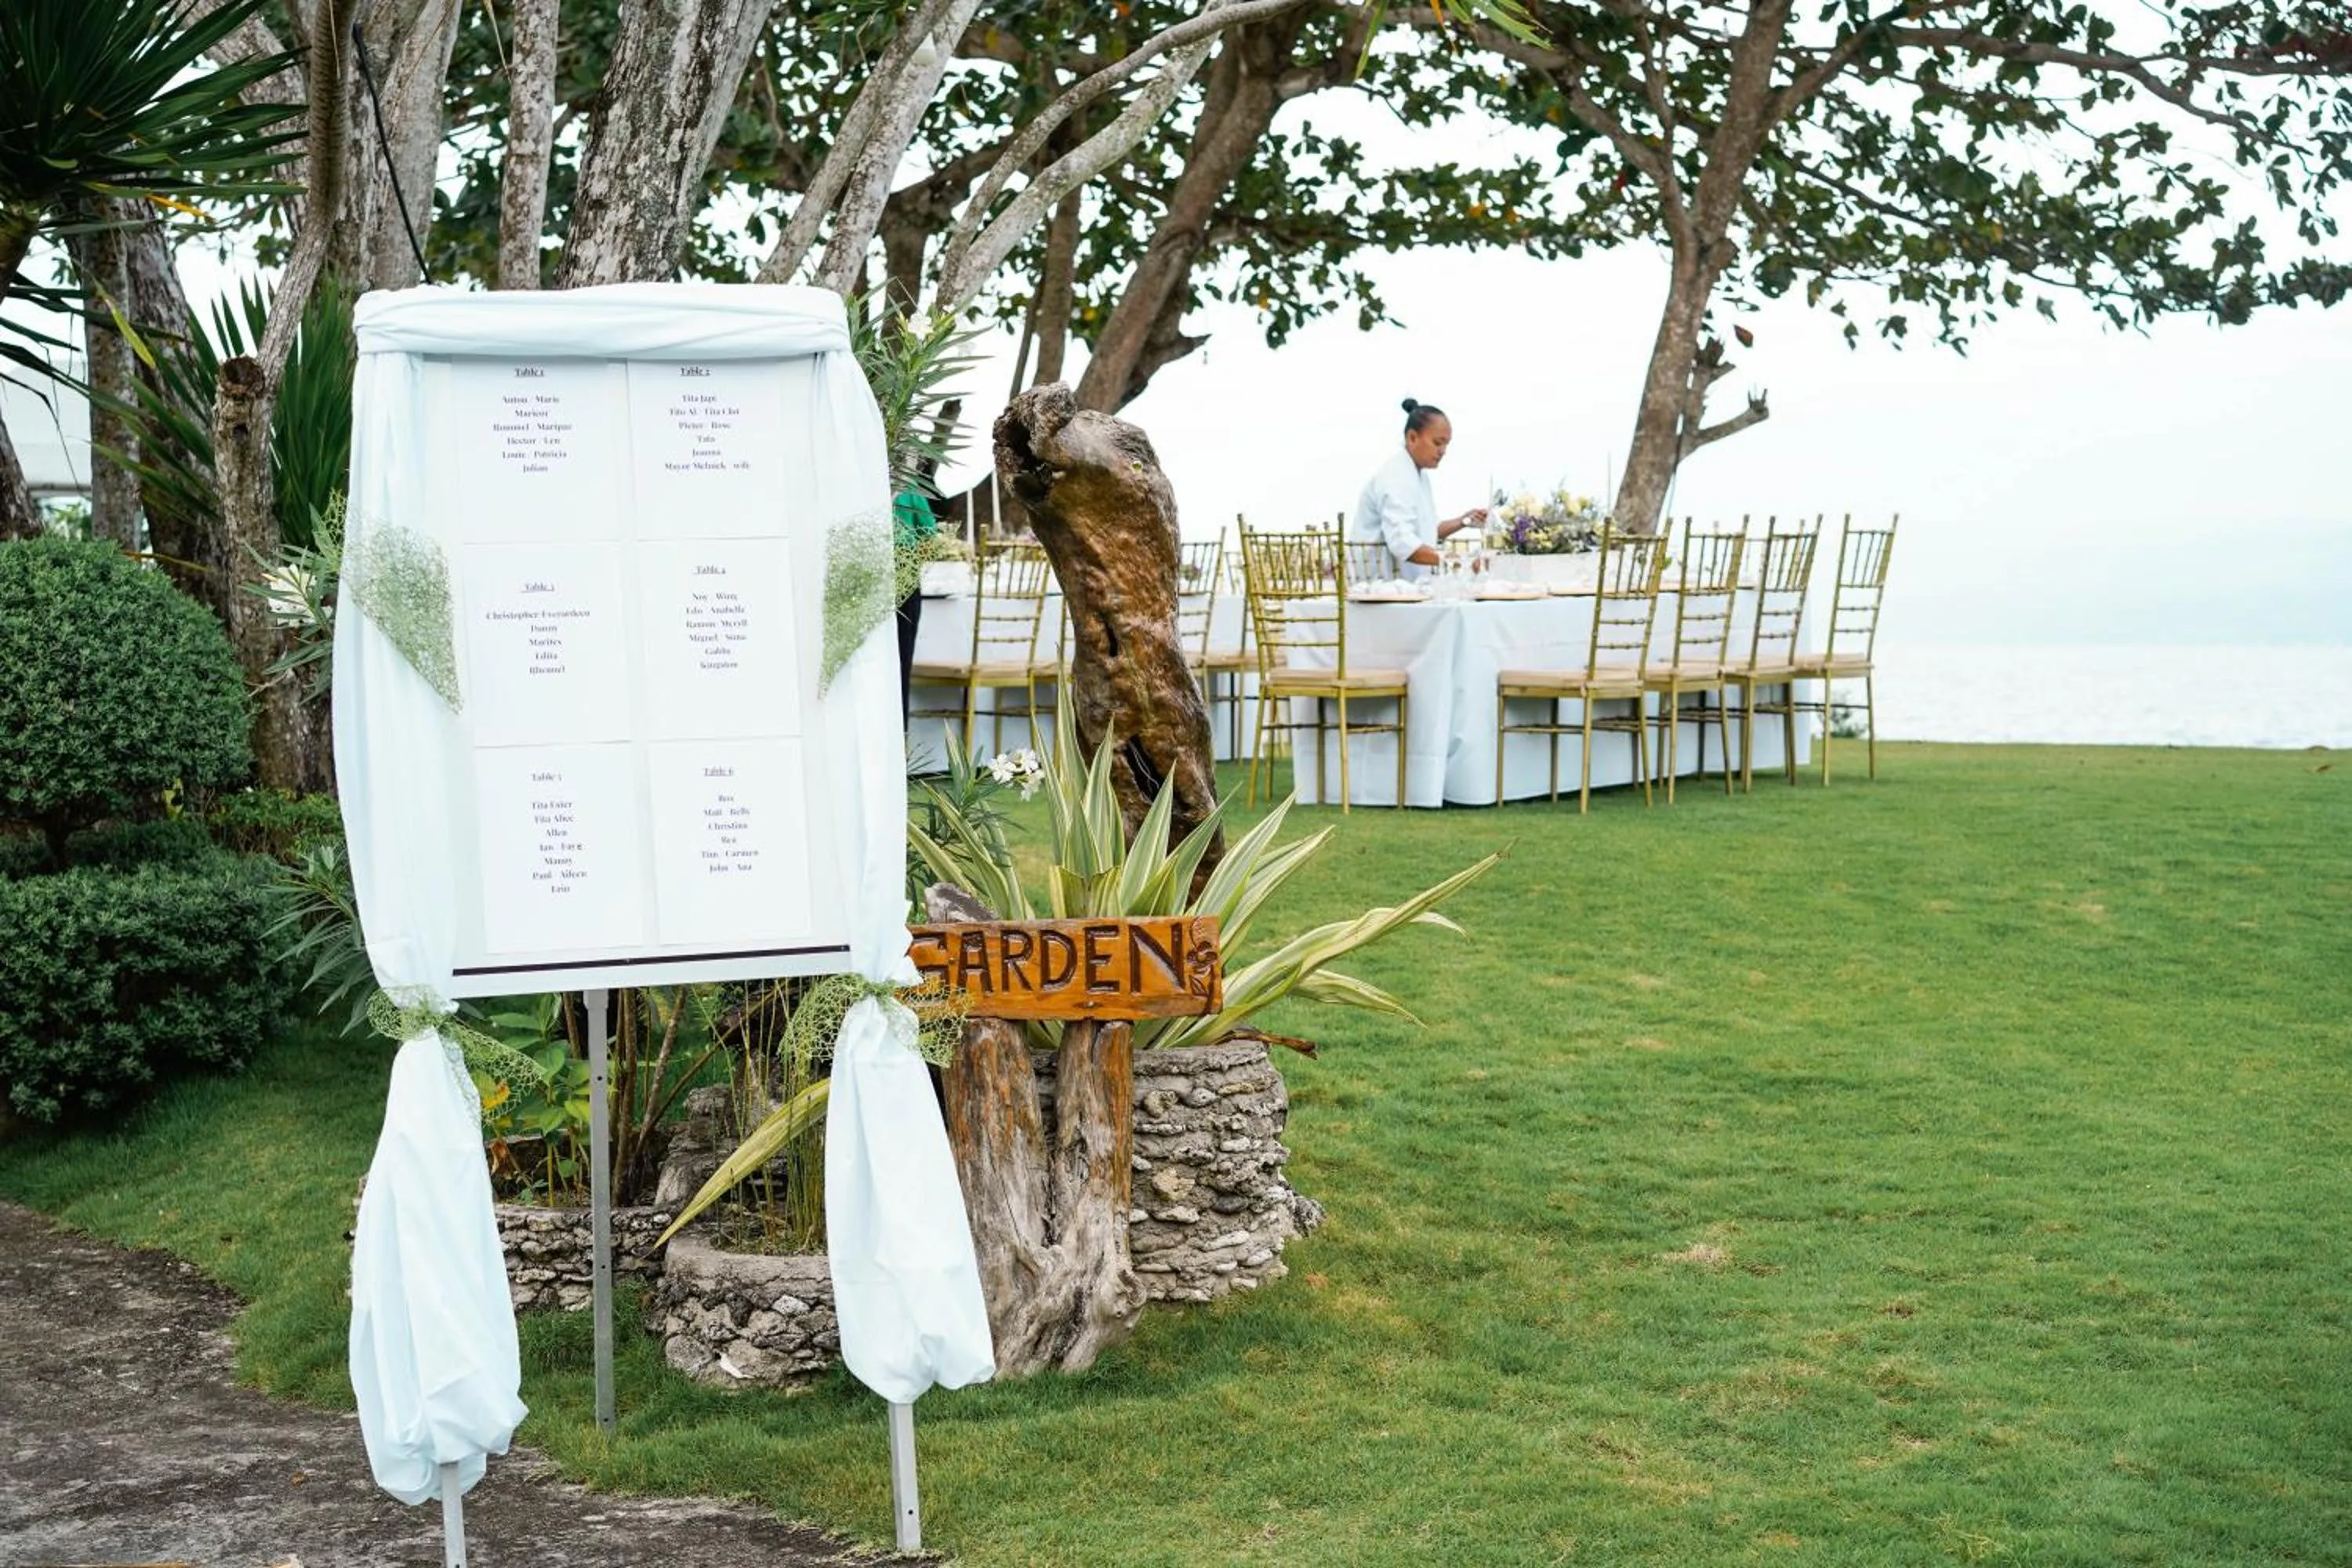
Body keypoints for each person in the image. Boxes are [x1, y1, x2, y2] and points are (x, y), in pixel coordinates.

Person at [1350, 398, 1486, 579]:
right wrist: (1460, 560)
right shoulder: (1395, 478)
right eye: (1438, 443)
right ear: (1412, 438)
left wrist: (1464, 520)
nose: (1443, 451)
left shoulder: (1418, 475)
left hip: (1406, 586)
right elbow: (1403, 543)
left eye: (1447, 444)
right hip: (1380, 588)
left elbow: (1427, 530)